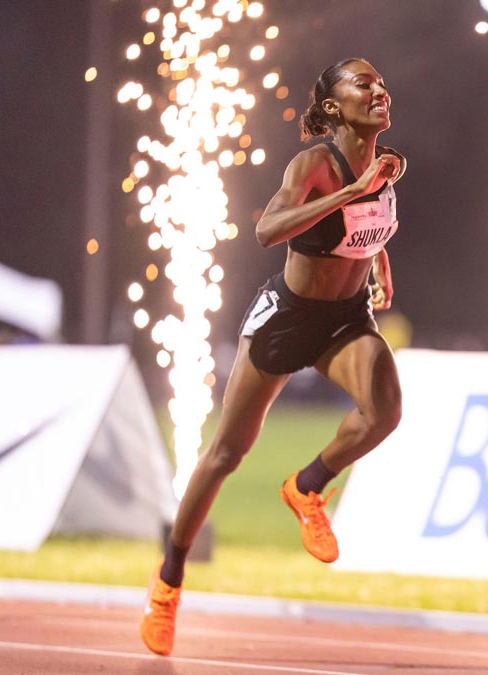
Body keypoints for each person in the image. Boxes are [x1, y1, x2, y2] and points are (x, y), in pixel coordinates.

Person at [141, 58, 406, 656]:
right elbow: (269, 229)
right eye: (362, 84)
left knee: (384, 410)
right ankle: (168, 581)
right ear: (334, 106)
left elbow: (368, 224)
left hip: (345, 320)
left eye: (380, 81)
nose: (378, 90)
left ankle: (308, 487)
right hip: (288, 319)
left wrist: (381, 264)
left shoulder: (386, 168)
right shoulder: (315, 162)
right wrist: (349, 191)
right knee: (226, 453)